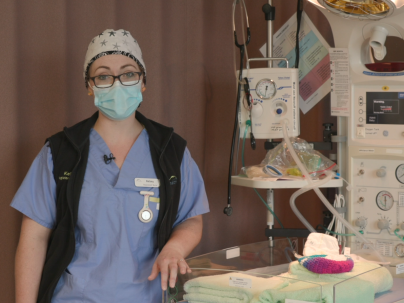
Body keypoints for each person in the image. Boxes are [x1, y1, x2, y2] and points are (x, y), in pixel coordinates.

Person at [11, 29, 210, 303]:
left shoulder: (171, 151)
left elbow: (190, 217)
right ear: (89, 86)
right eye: (104, 76)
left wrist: (174, 249)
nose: (117, 84)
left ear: (143, 82)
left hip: (149, 296)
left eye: (128, 73)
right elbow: (33, 239)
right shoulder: (61, 152)